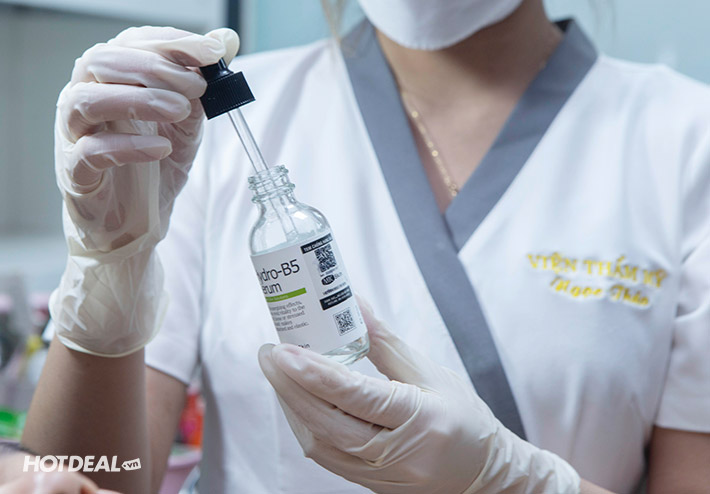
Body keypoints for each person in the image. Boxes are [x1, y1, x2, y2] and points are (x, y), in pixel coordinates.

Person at [19, 0, 710, 492]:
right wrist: (107, 274)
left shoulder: (684, 141)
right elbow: (89, 479)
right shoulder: (194, 133)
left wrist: (516, 484)